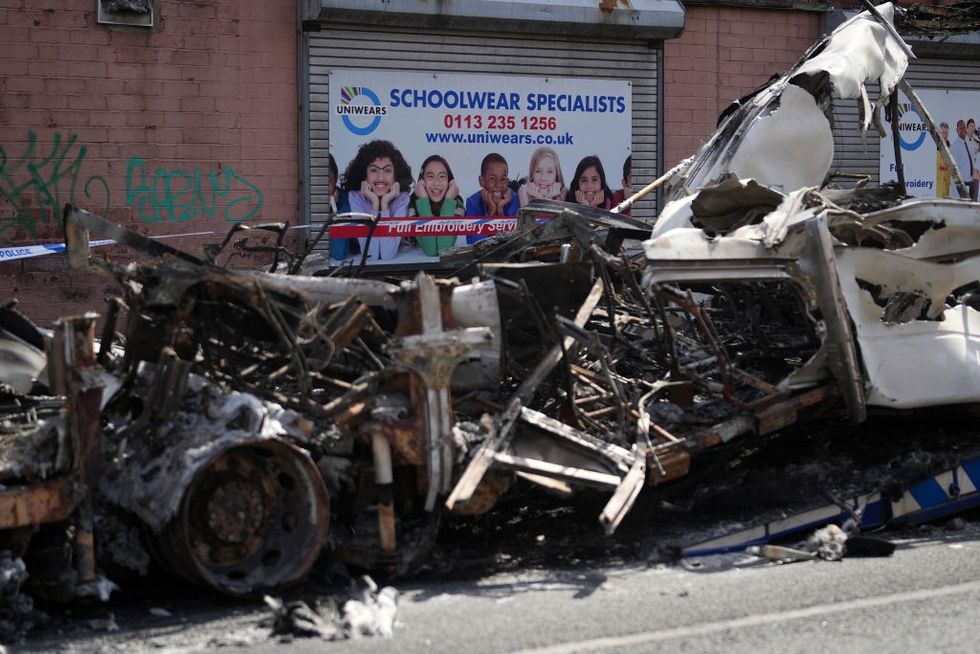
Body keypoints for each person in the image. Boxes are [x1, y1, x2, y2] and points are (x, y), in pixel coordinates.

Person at [344, 140, 412, 261]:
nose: (381, 177)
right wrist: (375, 205)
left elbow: (387, 255)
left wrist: (384, 204)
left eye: (387, 170)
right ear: (365, 175)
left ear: (395, 176)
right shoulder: (355, 198)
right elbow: (371, 255)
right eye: (374, 170)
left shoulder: (402, 199)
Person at [409, 155, 463, 256]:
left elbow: (444, 250)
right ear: (422, 181)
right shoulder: (414, 204)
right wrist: (423, 201)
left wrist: (449, 201)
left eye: (442, 176)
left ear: (449, 182)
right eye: (430, 176)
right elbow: (430, 251)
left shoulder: (456, 203)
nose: (436, 183)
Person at [464, 153, 519, 244]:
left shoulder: (514, 200)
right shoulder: (473, 202)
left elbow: (514, 242)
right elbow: (473, 242)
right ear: (482, 181)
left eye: (503, 179)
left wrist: (500, 210)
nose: (498, 184)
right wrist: (491, 212)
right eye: (492, 178)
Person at [326, 153, 352, 260]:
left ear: (336, 177)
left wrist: (334, 208)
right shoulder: (308, 204)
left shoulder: (347, 201)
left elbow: (339, 253)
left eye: (328, 180)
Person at [953, 120, 975, 201]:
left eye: (964, 127)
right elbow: (954, 170)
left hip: (970, 182)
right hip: (963, 185)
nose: (963, 130)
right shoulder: (955, 147)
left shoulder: (967, 143)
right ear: (957, 130)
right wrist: (960, 188)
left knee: (970, 206)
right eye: (960, 128)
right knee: (964, 206)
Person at [936, 122, 951, 199]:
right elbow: (941, 165)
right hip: (940, 184)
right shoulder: (936, 146)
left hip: (948, 184)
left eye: (946, 133)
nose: (944, 135)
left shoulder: (950, 147)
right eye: (942, 133)